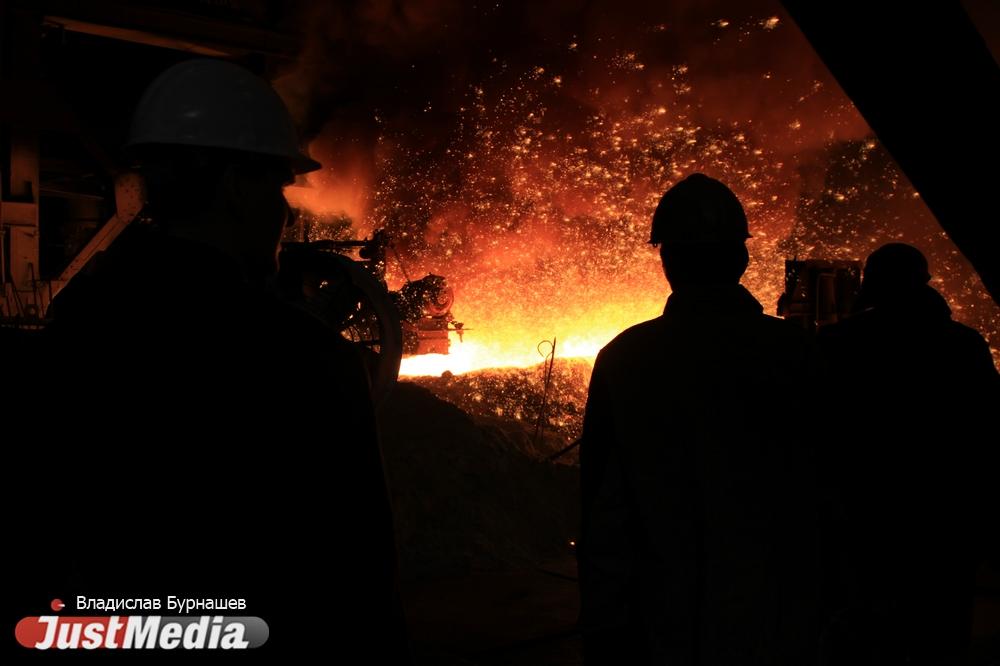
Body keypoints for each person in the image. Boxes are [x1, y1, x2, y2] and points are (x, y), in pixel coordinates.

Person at [10, 59, 408, 661]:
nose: (284, 213)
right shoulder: (305, 361)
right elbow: (358, 584)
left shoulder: (77, 332)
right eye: (277, 187)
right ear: (234, 188)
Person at [578, 173, 821, 665]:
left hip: (663, 620)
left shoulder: (626, 359)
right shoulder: (799, 354)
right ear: (743, 258)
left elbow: (601, 503)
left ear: (667, 261)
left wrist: (604, 624)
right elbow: (834, 490)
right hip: (777, 616)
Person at [817, 243, 999, 665]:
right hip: (944, 518)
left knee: (865, 633)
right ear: (924, 283)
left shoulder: (839, 343)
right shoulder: (963, 345)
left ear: (871, 286)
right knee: (939, 631)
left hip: (865, 516)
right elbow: (988, 427)